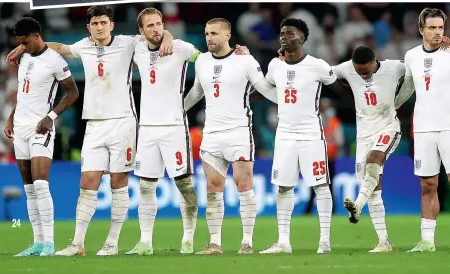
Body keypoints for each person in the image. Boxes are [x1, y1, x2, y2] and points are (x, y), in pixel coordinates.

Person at [7, 5, 174, 256]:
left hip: (123, 121)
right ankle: (77, 244)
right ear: (89, 27)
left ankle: (112, 243)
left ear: (112, 25)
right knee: (87, 183)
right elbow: (59, 48)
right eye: (95, 23)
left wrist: (169, 35)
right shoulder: (83, 46)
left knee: (119, 183)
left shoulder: (128, 43)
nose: (100, 27)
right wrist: (23, 46)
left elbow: (155, 35)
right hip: (94, 124)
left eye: (104, 22)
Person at [184, 18, 277, 255]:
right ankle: (215, 243)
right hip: (212, 134)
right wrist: (177, 110)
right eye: (206, 33)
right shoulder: (202, 61)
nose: (209, 38)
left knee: (243, 184)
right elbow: (196, 91)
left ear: (227, 35)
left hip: (238, 132)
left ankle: (247, 242)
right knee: (213, 187)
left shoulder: (245, 60)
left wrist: (290, 99)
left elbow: (265, 88)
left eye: (214, 33)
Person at [258, 18, 352, 255]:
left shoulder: (317, 65)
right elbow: (266, 88)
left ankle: (324, 242)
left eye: (289, 33)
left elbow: (339, 86)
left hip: (311, 133)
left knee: (321, 185)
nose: (283, 36)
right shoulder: (275, 65)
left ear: (302, 38)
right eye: (281, 32)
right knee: (284, 188)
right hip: (285, 134)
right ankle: (283, 242)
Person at [395, 8, 450, 252]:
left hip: (449, 127)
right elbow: (408, 88)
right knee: (427, 185)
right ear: (421, 30)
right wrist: (390, 109)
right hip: (422, 128)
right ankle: (427, 241)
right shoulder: (411, 56)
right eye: (432, 28)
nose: (437, 32)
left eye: (440, 27)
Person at [124, 7, 199, 256]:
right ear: (141, 31)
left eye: (159, 24)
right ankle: (145, 242)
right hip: (146, 129)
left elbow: (208, 61)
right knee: (145, 186)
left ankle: (188, 239)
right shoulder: (137, 49)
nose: (156, 29)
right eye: (150, 26)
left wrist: (237, 54)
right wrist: (164, 35)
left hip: (174, 127)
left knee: (185, 184)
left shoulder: (181, 48)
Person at [6, 17, 79, 257]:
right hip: (20, 128)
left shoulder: (55, 61)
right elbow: (24, 95)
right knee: (28, 188)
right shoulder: (24, 56)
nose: (22, 46)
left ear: (37, 36)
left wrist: (51, 117)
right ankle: (37, 243)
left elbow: (73, 92)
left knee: (40, 183)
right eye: (20, 43)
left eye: (25, 42)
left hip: (41, 128)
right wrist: (10, 117)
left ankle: (49, 242)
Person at [336, 46, 405, 253]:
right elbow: (324, 71)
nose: (363, 75)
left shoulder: (394, 68)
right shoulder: (347, 69)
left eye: (366, 71)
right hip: (363, 135)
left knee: (374, 159)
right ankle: (384, 243)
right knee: (374, 191)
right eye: (359, 72)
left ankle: (357, 204)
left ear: (375, 61)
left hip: (388, 127)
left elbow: (417, 66)